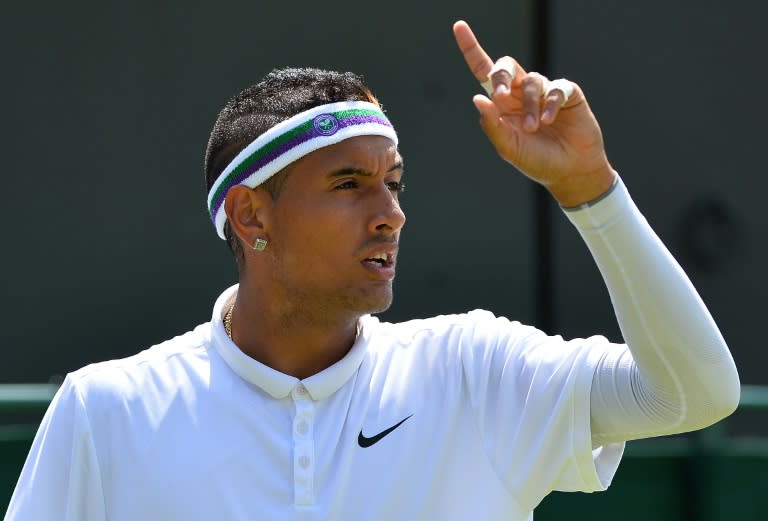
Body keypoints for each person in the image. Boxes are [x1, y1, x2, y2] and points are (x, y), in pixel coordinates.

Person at [4, 20, 739, 521]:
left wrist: (592, 190)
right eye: (350, 185)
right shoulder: (106, 411)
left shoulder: (473, 369)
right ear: (252, 217)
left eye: (395, 182)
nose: (390, 212)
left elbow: (696, 394)